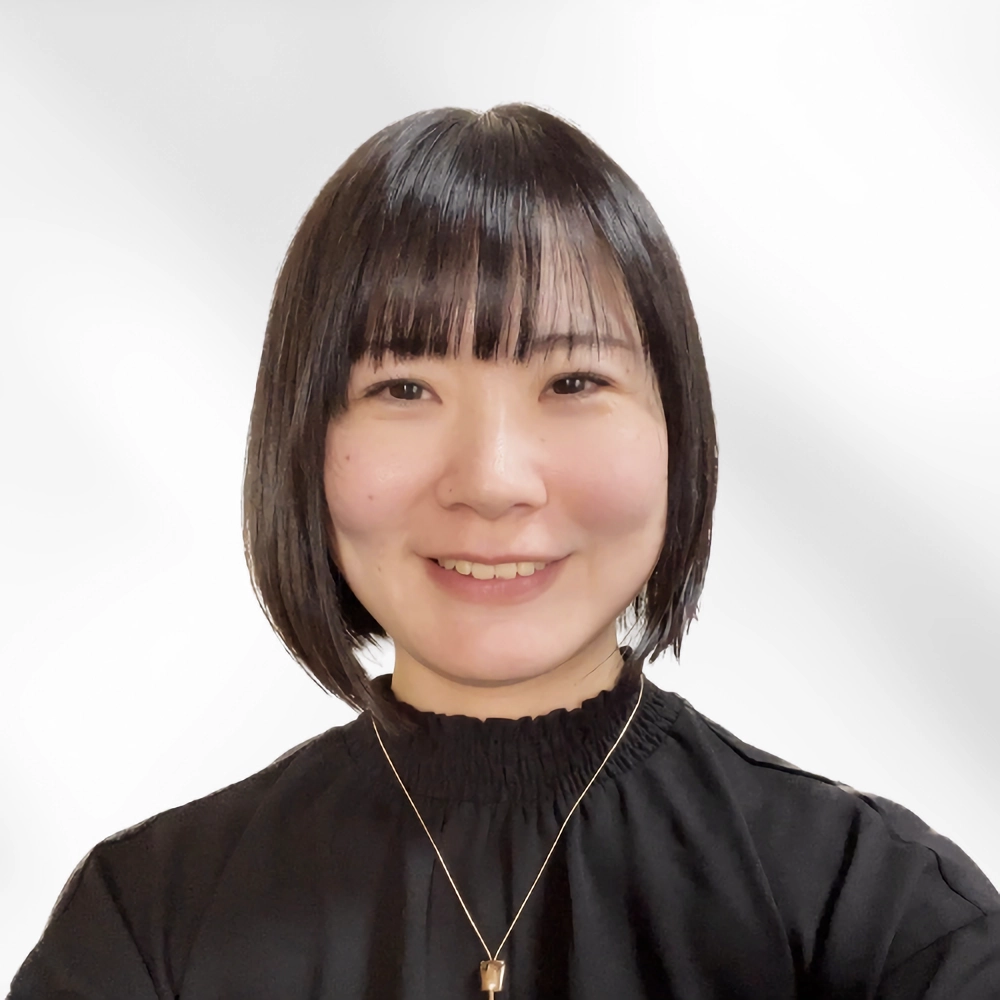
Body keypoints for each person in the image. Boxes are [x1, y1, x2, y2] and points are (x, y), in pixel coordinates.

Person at [7, 103, 998, 1000]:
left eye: (571, 383)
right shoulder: (147, 927)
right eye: (403, 388)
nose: (490, 481)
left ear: (678, 430)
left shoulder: (883, 921)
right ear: (300, 440)